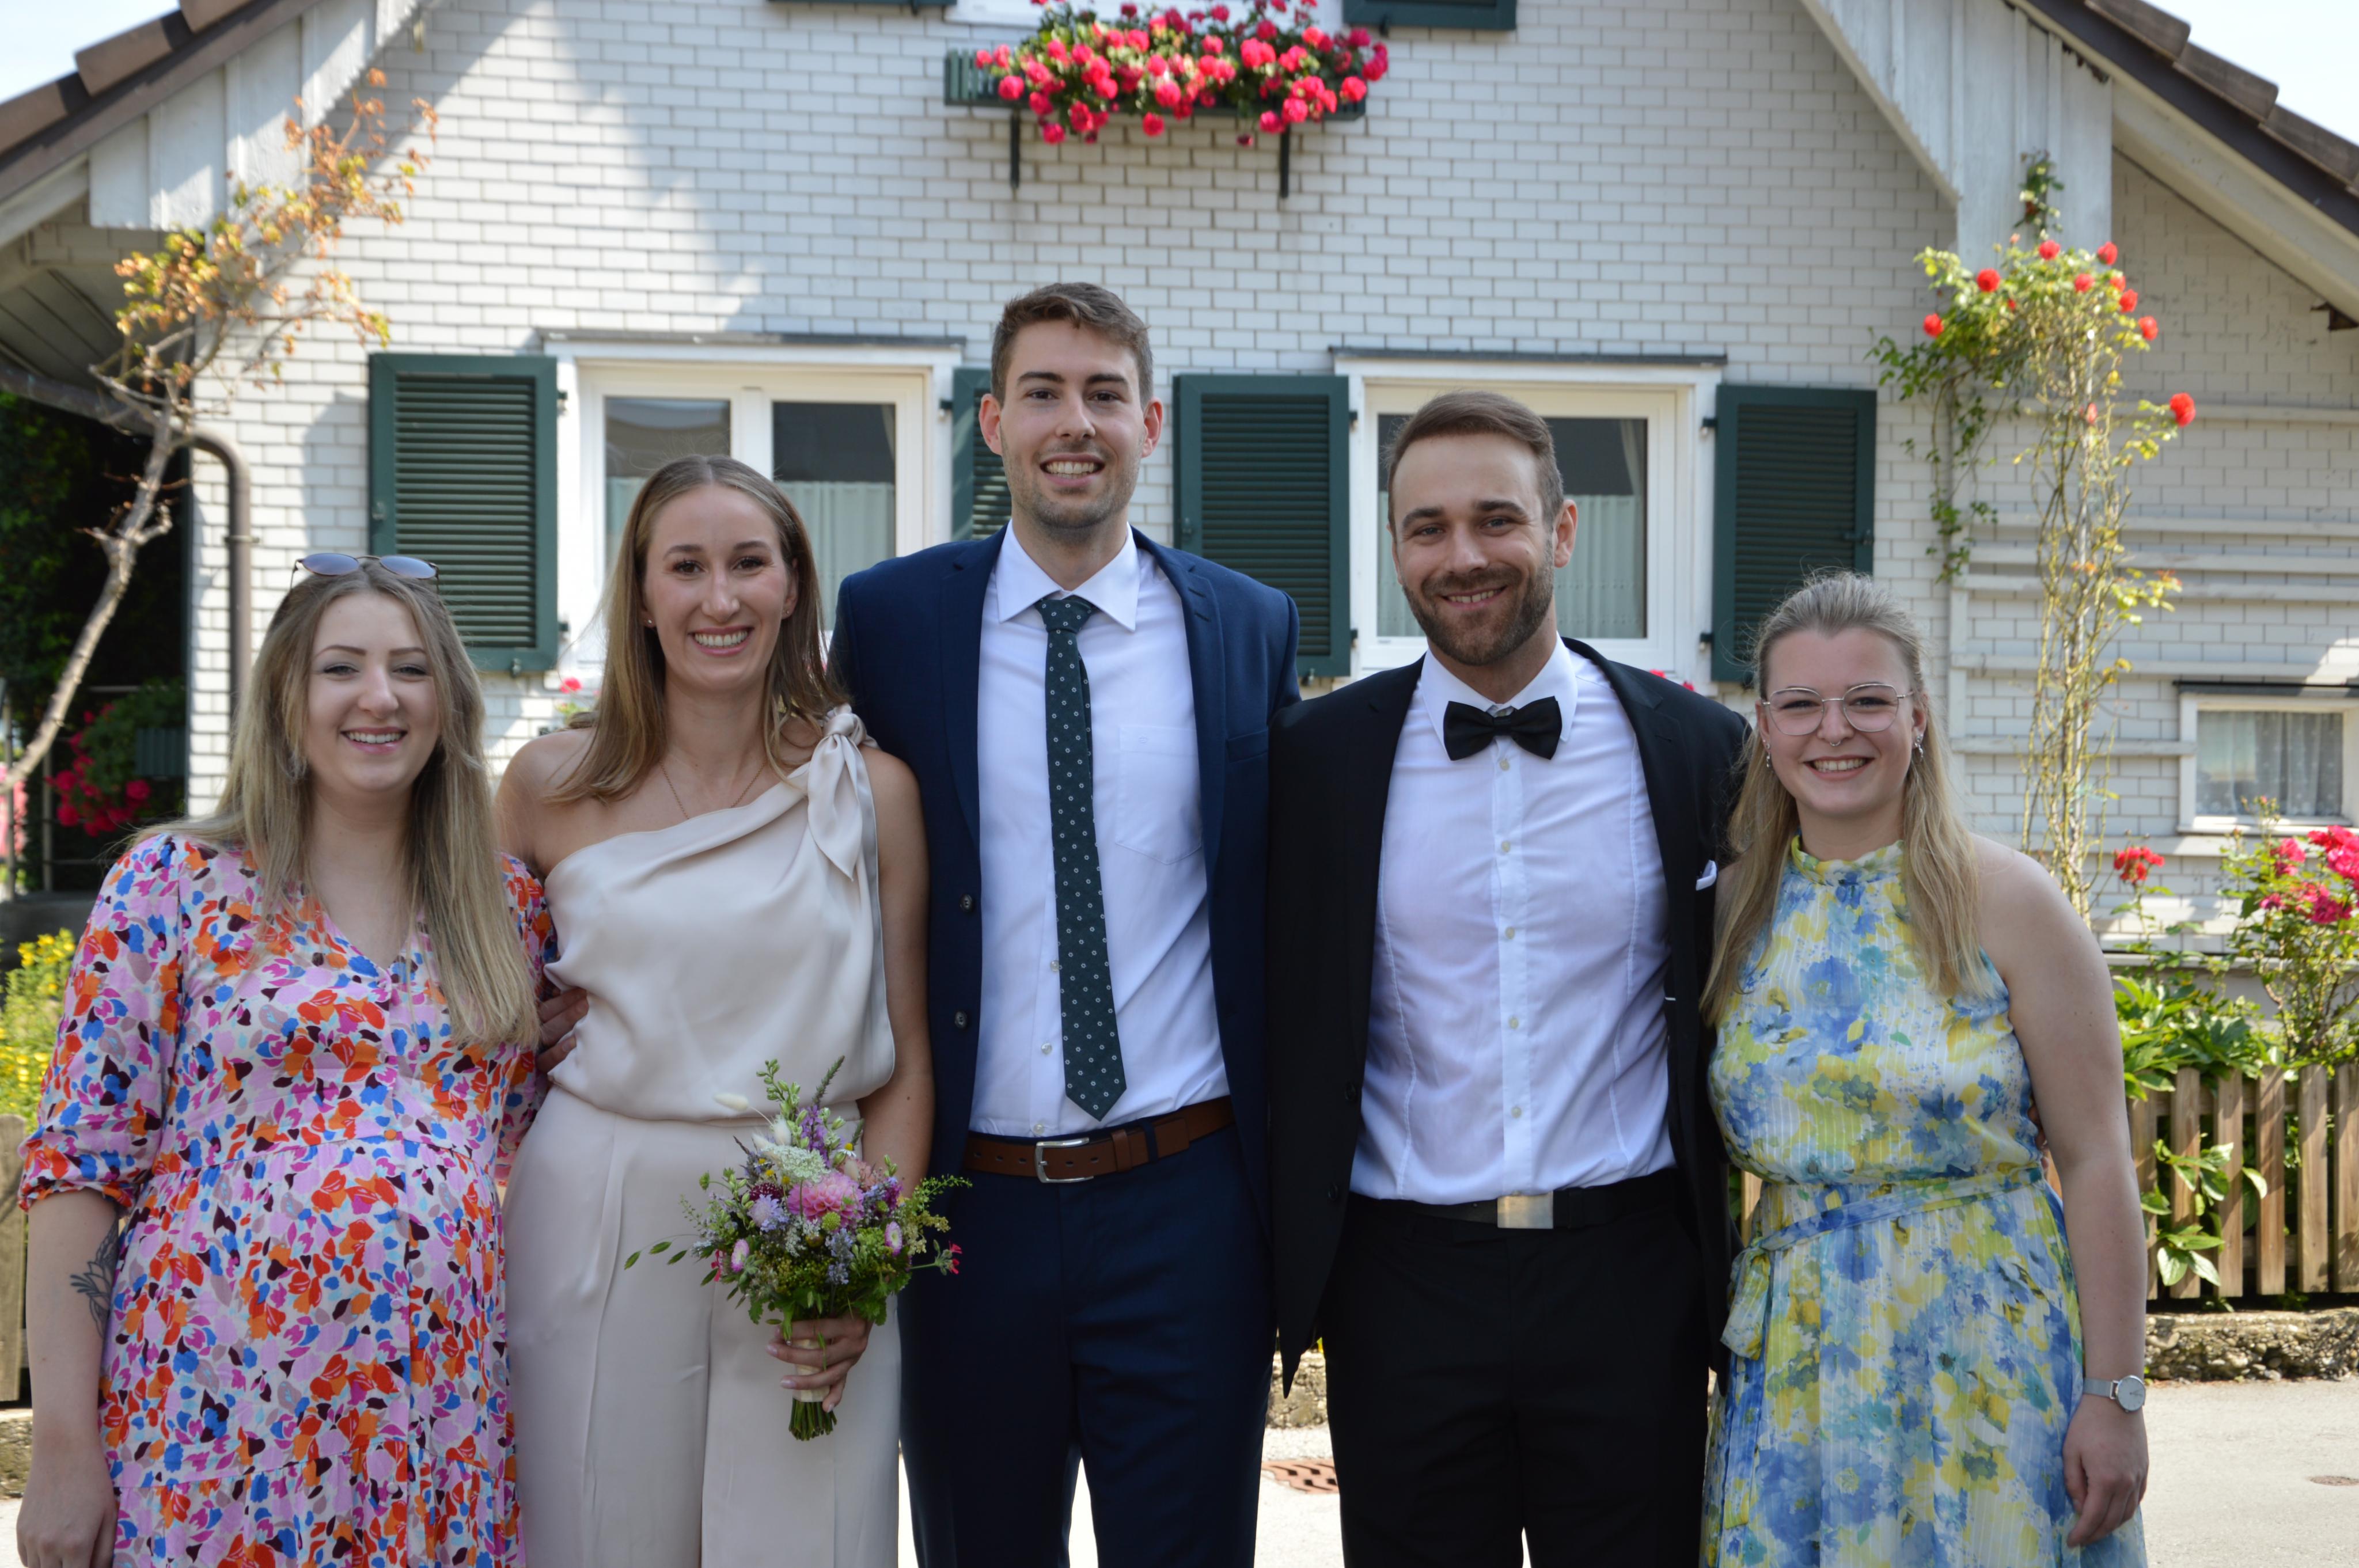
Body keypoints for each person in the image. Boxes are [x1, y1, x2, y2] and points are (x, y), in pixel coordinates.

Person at [828, 282, 1298, 1568]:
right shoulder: (892, 620)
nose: (1073, 423)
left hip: (1187, 1205)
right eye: (1042, 393)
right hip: (969, 1211)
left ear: (1151, 423)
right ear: (993, 423)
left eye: (1103, 395)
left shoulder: (1247, 626)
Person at [1266, 390, 1747, 1568]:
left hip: (1629, 1279)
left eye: (1496, 520)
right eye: (1426, 528)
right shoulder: (1314, 761)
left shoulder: (1696, 751)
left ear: (1563, 530)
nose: (1462, 556)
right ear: (1394, 549)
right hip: (1401, 1288)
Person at [16, 555, 550, 1567]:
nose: (380, 697)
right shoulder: (174, 884)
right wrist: (64, 1449)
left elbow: (534, 1145)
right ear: (285, 699)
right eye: (340, 668)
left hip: (435, 1432)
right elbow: (79, 1170)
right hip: (213, 1424)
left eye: (411, 669)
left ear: (448, 700)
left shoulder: (508, 910)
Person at [499, 455, 932, 1567]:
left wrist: (865, 1260)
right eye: (685, 567)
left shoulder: (873, 791)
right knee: (597, 1534)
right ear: (642, 597)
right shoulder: (547, 787)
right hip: (594, 1208)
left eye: (748, 564)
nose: (720, 598)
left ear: (793, 586)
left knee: (807, 1542)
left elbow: (906, 1056)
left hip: (809, 1220)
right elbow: (473, 1012)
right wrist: (521, 1022)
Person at [1701, 571, 2149, 1565]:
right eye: (1801, 705)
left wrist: (2116, 1395)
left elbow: (2096, 1160)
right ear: (1765, 729)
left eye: (1867, 699)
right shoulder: (1732, 912)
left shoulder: (2009, 901)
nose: (1835, 731)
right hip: (1799, 1358)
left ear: (1918, 716)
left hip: (1990, 1351)